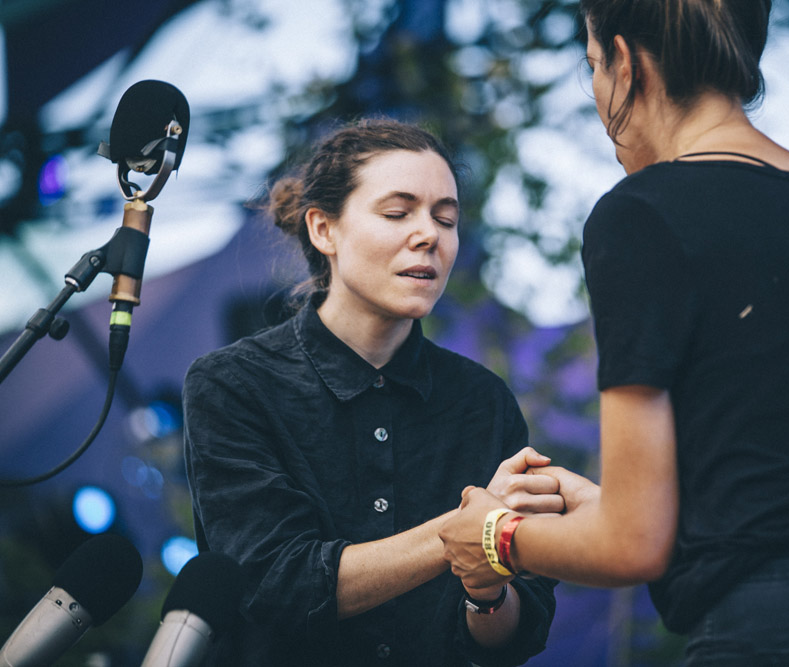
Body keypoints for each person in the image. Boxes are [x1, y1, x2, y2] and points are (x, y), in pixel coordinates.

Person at [439, 1, 789, 664]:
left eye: (593, 67)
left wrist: (493, 535)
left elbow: (631, 544)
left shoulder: (640, 215)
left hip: (778, 636)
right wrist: (610, 502)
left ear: (627, 63)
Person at [182, 118, 559, 666]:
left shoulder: (483, 401)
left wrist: (486, 590)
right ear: (323, 230)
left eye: (446, 218)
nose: (429, 234)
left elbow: (516, 639)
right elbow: (276, 585)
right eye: (397, 213)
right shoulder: (232, 385)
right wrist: (474, 530)